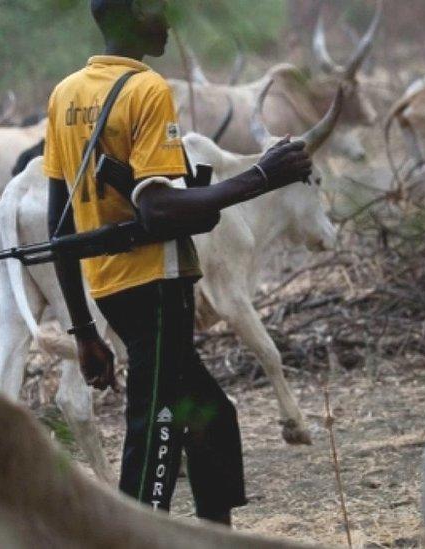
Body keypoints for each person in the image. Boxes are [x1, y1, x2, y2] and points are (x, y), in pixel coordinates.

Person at [43, 0, 315, 526]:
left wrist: (83, 330)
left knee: (212, 417)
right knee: (156, 426)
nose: (166, 22)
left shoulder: (66, 93)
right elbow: (158, 207)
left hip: (110, 288)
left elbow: (61, 229)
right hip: (157, 286)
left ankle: (216, 533)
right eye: (156, 11)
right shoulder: (146, 89)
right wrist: (262, 176)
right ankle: (135, 533)